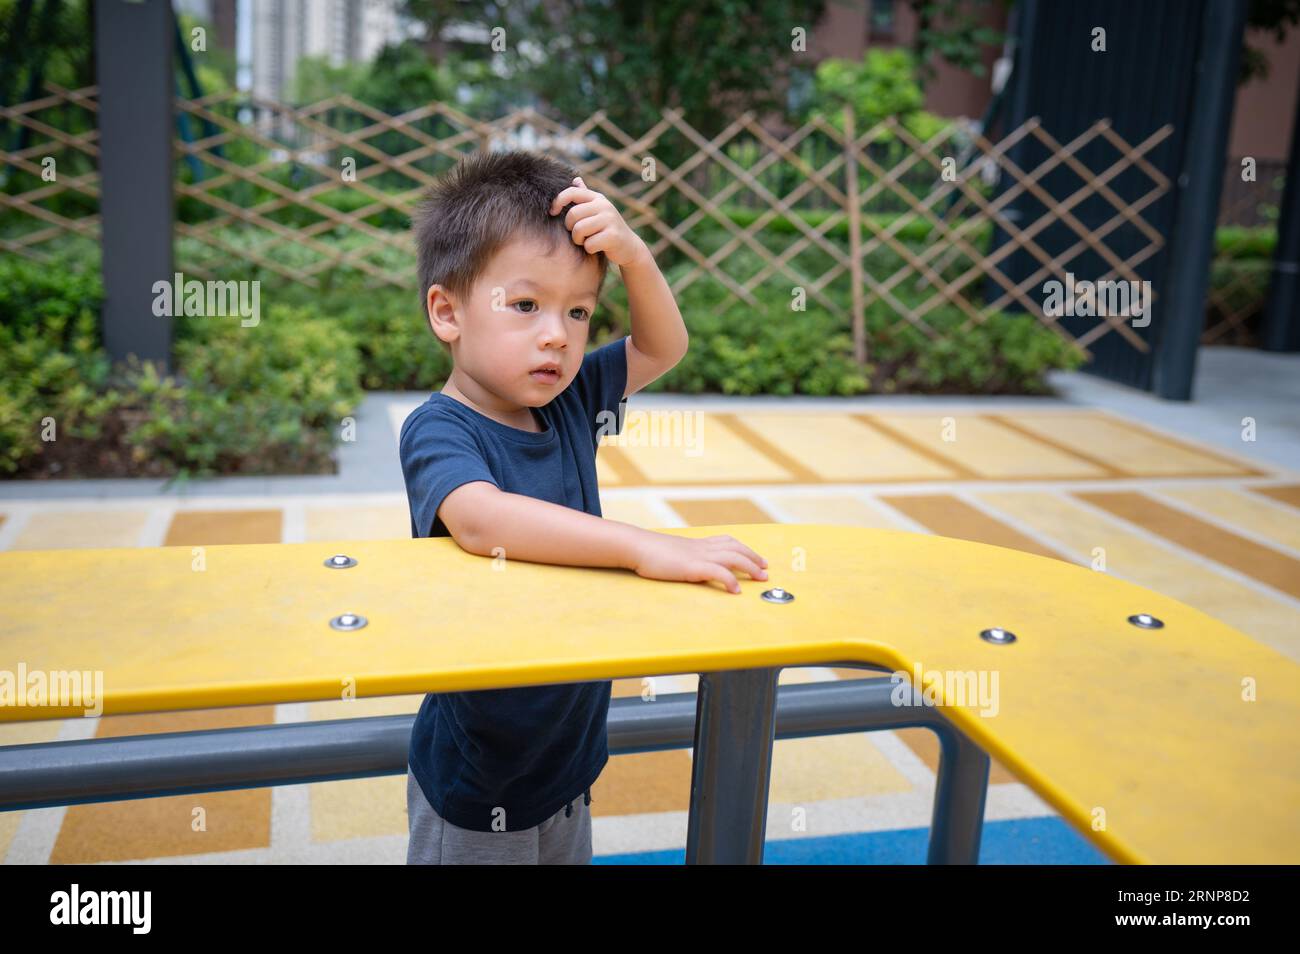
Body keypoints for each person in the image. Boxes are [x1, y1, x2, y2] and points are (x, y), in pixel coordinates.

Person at [399, 149, 769, 864]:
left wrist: (632, 255)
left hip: (566, 760)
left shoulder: (570, 403)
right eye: (527, 305)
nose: (557, 334)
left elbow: (665, 344)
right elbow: (481, 519)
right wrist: (642, 545)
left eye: (578, 311)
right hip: (480, 780)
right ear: (447, 311)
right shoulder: (441, 428)